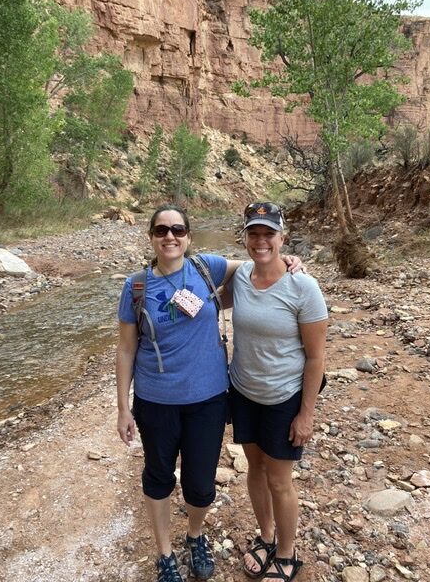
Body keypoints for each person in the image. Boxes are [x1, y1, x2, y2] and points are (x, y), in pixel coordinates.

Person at [115, 204, 302, 582]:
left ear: (189, 237)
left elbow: (253, 264)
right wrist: (122, 407)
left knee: (200, 484)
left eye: (178, 230)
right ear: (151, 237)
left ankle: (195, 534)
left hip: (209, 400)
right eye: (162, 230)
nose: (170, 236)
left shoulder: (206, 267)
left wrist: (287, 260)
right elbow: (126, 348)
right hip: (156, 401)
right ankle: (165, 553)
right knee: (158, 476)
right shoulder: (136, 286)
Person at [223, 201, 328, 582]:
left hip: (284, 397)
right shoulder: (240, 276)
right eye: (254, 233)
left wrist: (306, 414)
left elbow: (316, 357)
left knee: (280, 480)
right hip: (243, 391)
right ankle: (266, 536)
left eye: (269, 234)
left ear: (283, 237)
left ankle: (287, 552)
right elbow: (199, 274)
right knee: (255, 469)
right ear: (245, 238)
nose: (261, 241)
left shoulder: (303, 287)